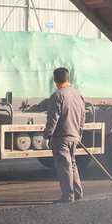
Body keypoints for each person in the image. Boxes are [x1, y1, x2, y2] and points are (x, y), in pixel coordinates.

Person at [43, 67, 86, 203]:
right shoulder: (78, 95)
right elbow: (82, 117)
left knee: (64, 167)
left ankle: (68, 196)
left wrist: (47, 135)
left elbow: (53, 119)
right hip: (74, 136)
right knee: (72, 164)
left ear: (55, 80)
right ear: (68, 79)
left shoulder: (58, 95)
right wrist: (79, 133)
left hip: (61, 137)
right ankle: (78, 193)